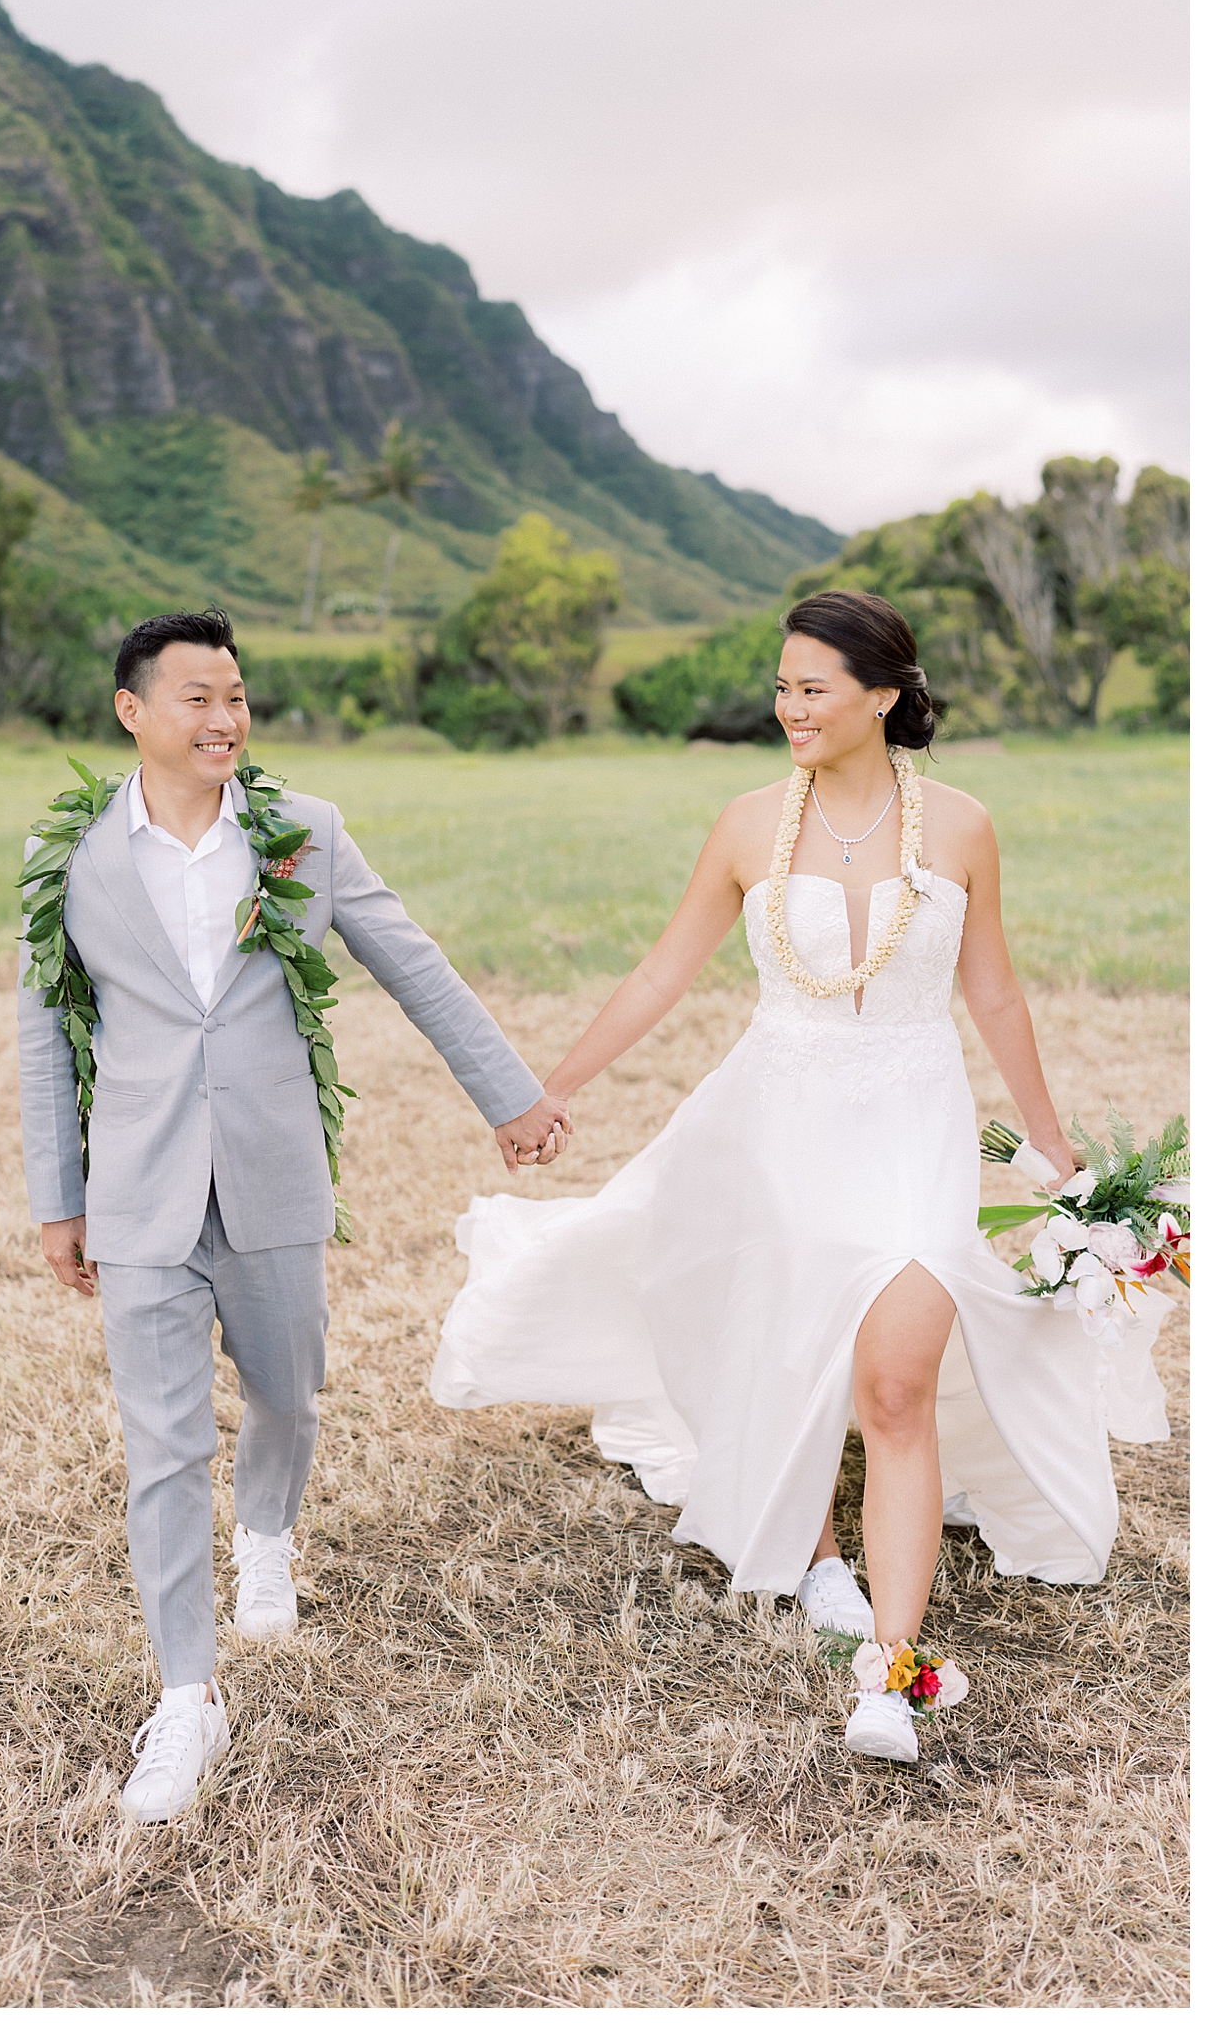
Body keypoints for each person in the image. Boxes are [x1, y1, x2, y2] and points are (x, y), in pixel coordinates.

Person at [432, 589, 1170, 1765]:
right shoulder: (743, 824)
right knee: (794, 1345)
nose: (789, 708)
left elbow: (994, 993)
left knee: (893, 1385)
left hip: (911, 1124)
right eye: (780, 687)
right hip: (777, 1123)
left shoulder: (964, 826)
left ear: (882, 693)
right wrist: (546, 1089)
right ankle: (817, 1552)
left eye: (811, 688)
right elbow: (660, 974)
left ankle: (892, 1671)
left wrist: (1051, 1141)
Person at [19, 608, 571, 1822]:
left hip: (272, 1177)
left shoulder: (303, 835)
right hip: (140, 1191)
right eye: (196, 699)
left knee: (284, 1391)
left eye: (236, 697)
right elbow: (45, 1031)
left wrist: (512, 1095)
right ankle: (185, 1697)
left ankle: (265, 1529)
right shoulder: (76, 857)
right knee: (162, 1448)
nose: (223, 719)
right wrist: (57, 1195)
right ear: (132, 714)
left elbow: (410, 960)